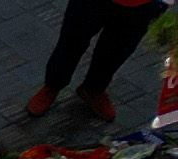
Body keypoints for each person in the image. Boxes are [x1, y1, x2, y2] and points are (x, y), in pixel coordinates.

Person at [32, 0, 168, 121]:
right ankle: (53, 85)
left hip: (143, 5)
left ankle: (93, 89)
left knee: (116, 51)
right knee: (72, 40)